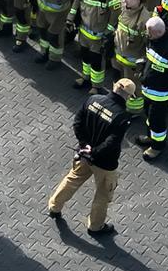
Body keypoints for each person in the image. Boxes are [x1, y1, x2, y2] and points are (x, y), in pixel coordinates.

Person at [47, 79, 139, 235]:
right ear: (129, 96)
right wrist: (94, 152)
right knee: (103, 195)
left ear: (114, 87)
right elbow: (112, 143)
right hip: (105, 163)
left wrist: (84, 146)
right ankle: (95, 227)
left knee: (73, 178)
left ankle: (54, 207)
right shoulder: (123, 117)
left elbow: (77, 123)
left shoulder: (93, 99)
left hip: (84, 154)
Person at [135, 18, 168, 160]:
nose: (146, 34)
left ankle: (157, 147)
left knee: (157, 121)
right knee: (148, 116)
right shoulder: (153, 40)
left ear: (156, 33)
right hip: (149, 90)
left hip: (161, 95)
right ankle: (151, 138)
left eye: (148, 32)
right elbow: (149, 58)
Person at [73, 0, 121, 90]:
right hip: (83, 31)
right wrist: (70, 19)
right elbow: (77, 0)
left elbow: (115, 15)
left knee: (96, 61)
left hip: (98, 36)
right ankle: (85, 77)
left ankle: (96, 86)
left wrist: (107, 33)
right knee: (85, 57)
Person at [112, 0, 153, 114]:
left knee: (133, 88)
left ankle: (134, 111)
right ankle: (119, 104)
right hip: (118, 56)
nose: (124, 1)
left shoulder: (145, 20)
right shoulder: (124, 9)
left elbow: (148, 44)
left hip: (132, 62)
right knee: (118, 84)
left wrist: (143, 63)